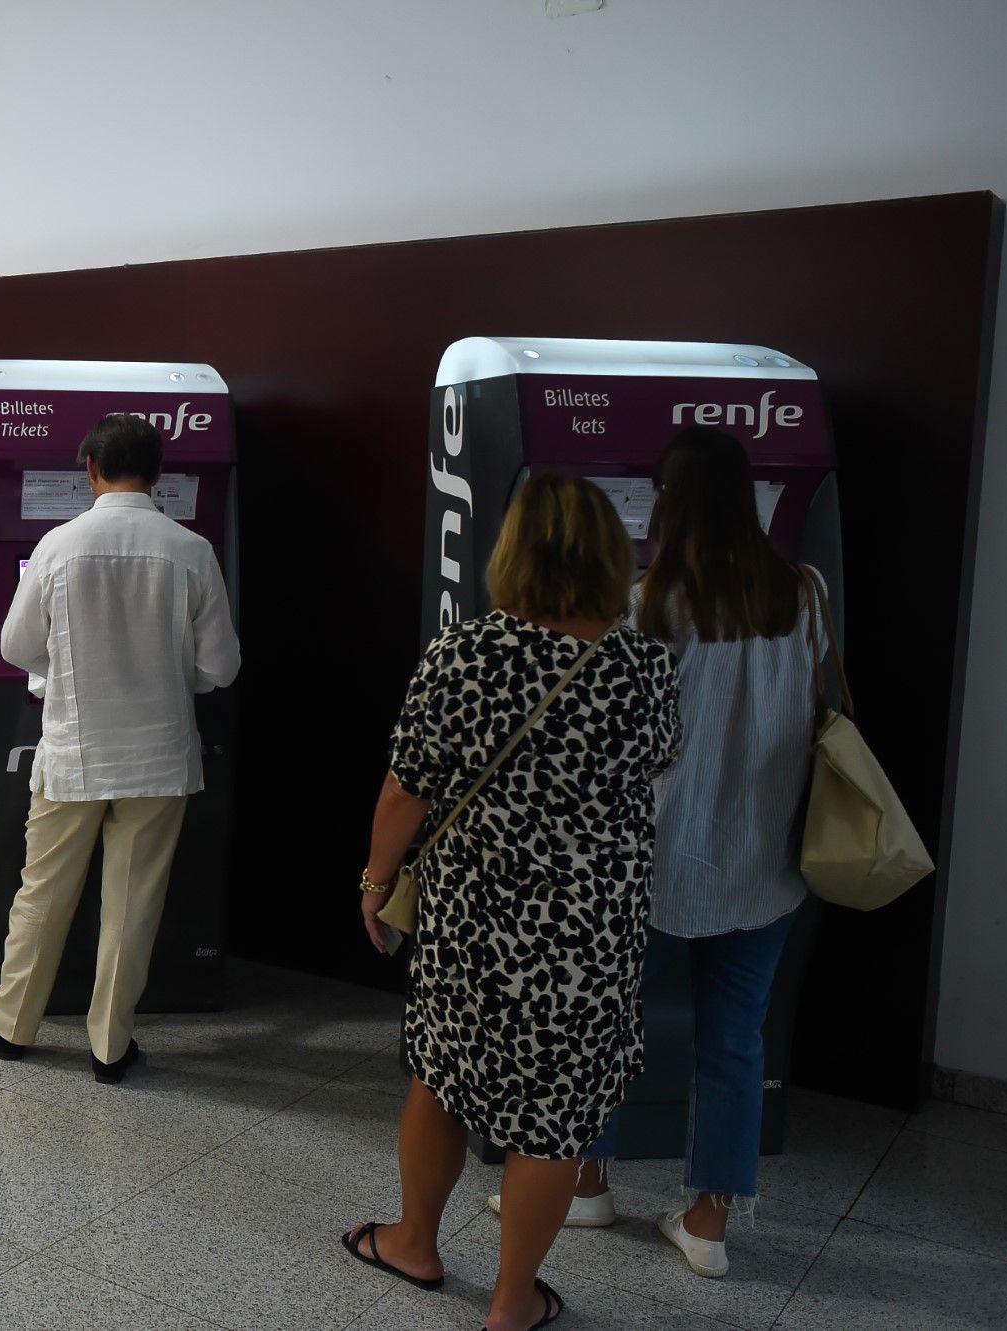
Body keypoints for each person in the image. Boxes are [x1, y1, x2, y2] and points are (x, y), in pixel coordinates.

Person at [341, 474, 678, 1331]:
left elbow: (402, 794)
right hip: (591, 930)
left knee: (442, 1077)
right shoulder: (645, 665)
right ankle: (510, 1299)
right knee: (555, 1115)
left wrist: (377, 885)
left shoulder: (464, 654)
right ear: (611, 554)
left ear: (513, 551)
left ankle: (415, 1240)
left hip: (473, 917)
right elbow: (657, 768)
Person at [494, 428, 823, 1281]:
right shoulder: (805, 593)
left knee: (602, 1024)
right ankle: (709, 1222)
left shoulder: (647, 603)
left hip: (651, 861)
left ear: (667, 502)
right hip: (766, 860)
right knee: (735, 1038)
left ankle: (587, 1182)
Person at [0, 413, 240, 1084]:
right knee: (133, 903)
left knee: (42, 891)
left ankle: (11, 1024)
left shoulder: (57, 545)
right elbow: (221, 665)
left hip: (74, 753)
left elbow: (15, 647)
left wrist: (58, 669)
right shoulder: (191, 549)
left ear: (90, 468)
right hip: (161, 757)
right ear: (158, 473)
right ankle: (111, 1044)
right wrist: (175, 676)